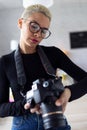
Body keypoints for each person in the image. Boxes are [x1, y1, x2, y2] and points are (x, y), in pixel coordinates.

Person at [0, 4, 87, 130]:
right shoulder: (5, 62)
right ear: (20, 23)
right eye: (34, 26)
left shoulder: (53, 54)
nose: (38, 34)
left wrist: (68, 93)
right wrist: (26, 103)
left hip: (55, 118)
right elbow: (1, 108)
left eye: (43, 30)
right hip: (23, 123)